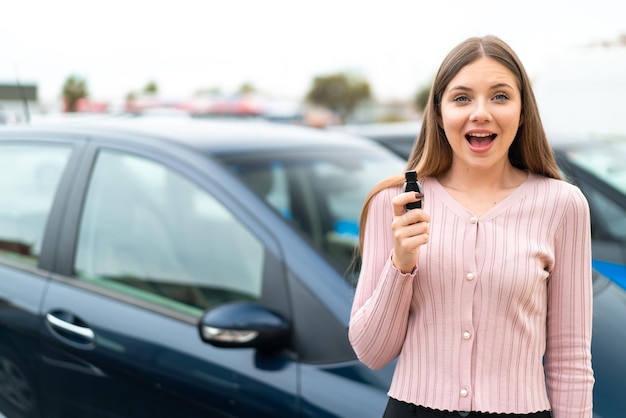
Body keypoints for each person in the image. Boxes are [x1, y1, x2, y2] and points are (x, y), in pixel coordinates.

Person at [348, 35, 594, 418]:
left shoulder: (562, 205)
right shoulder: (394, 202)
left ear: (523, 110)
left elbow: (571, 360)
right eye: (462, 98)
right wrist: (402, 264)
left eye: (499, 96)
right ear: (439, 111)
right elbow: (371, 352)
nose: (480, 113)